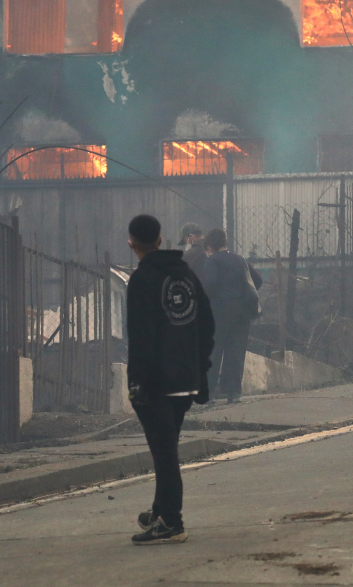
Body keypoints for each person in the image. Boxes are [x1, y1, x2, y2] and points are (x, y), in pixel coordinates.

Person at [125, 215, 215, 545]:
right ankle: (159, 509)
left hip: (158, 382)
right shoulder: (187, 275)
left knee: (164, 453)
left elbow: (141, 337)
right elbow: (206, 323)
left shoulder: (141, 280)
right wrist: (200, 364)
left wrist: (137, 383)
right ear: (161, 240)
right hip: (187, 378)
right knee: (168, 445)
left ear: (132, 243)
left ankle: (171, 522)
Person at [200, 227, 262, 404]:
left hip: (220, 311)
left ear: (210, 247)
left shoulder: (212, 261)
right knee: (236, 351)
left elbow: (210, 283)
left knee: (214, 350)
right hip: (242, 312)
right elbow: (257, 280)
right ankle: (233, 392)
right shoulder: (240, 259)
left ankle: (210, 393)